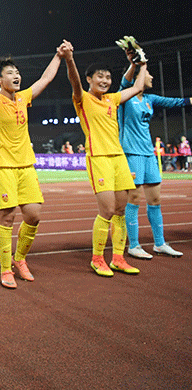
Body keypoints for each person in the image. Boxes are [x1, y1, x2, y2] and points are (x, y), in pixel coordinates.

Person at [0, 45, 68, 288]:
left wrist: (58, 56)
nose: (16, 76)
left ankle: (20, 259)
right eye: (9, 72)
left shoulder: (24, 97)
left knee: (34, 215)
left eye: (17, 72)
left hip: (26, 165)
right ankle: (5, 269)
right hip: (2, 167)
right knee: (7, 218)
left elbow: (46, 78)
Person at [63, 45, 147, 277]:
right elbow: (74, 81)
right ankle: (97, 258)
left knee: (121, 209)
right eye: (100, 76)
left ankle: (118, 258)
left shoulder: (113, 99)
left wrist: (139, 63)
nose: (105, 80)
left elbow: (139, 86)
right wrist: (70, 59)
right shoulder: (82, 99)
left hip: (119, 158)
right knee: (108, 209)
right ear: (89, 79)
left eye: (108, 77)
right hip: (98, 159)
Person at [118, 54, 191, 259]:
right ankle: (134, 245)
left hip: (149, 154)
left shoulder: (150, 99)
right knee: (134, 198)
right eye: (148, 74)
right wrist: (138, 65)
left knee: (155, 199)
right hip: (132, 153)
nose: (151, 77)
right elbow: (125, 82)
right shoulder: (125, 96)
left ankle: (159, 243)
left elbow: (175, 102)